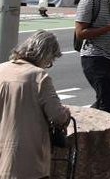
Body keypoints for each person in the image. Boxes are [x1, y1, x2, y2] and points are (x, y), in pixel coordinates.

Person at [0, 29, 71, 179]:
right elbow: (57, 116)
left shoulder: (2, 69)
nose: (48, 65)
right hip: (25, 160)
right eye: (50, 61)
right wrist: (66, 113)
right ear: (45, 55)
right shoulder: (39, 76)